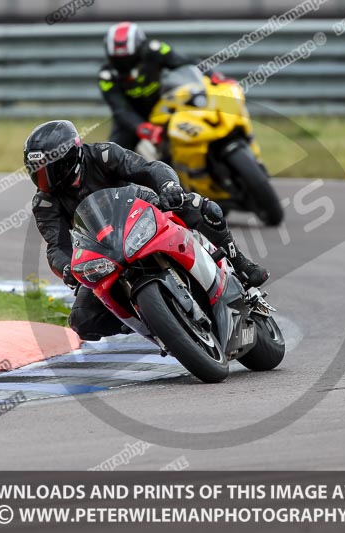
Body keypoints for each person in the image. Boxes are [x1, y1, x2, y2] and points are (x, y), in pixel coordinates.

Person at [26, 120, 269, 341]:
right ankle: (152, 320)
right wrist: (66, 267)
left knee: (199, 207)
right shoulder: (45, 203)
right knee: (83, 320)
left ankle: (242, 266)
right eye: (36, 172)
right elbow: (57, 246)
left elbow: (149, 169)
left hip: (139, 211)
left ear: (70, 157)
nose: (43, 179)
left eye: (48, 170)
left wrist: (169, 186)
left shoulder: (104, 154)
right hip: (103, 246)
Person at [98, 21, 229, 151]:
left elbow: (185, 61)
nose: (126, 65)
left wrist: (212, 75)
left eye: (129, 59)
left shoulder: (155, 50)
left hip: (163, 106)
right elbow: (120, 109)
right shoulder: (106, 76)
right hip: (133, 116)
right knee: (113, 153)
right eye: (119, 61)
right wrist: (141, 127)